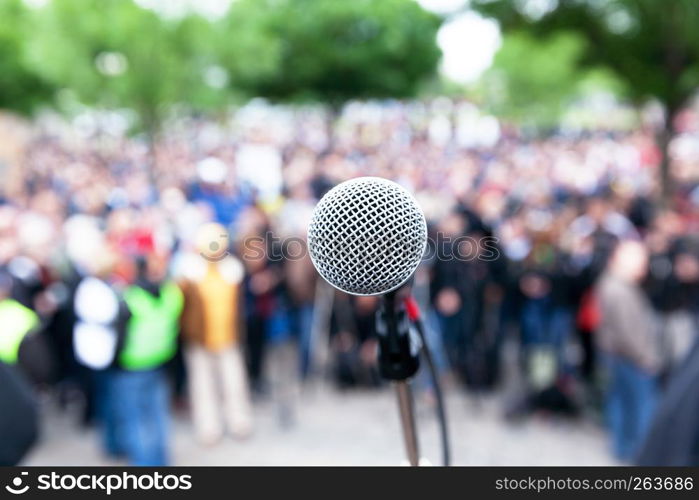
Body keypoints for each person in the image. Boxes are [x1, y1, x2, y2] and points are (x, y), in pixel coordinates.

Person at [178, 223, 253, 444]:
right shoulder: (189, 272)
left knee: (234, 382)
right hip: (199, 339)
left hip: (228, 337)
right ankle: (208, 427)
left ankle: (239, 422)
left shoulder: (232, 270)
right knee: (202, 386)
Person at [108, 255, 183, 465]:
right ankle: (160, 460)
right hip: (161, 360)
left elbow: (119, 338)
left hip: (133, 365)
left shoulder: (131, 298)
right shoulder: (171, 293)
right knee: (158, 415)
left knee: (137, 420)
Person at [596, 240, 660, 461]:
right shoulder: (618, 289)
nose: (644, 266)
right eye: (641, 261)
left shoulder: (616, 284)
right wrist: (645, 358)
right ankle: (637, 451)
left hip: (619, 355)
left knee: (620, 403)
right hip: (629, 357)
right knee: (640, 406)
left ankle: (623, 448)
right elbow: (627, 332)